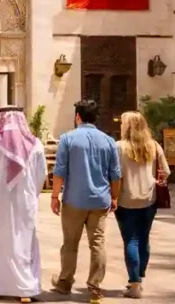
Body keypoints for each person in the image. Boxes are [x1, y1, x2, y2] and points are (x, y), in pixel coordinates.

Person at [51, 99, 122, 304]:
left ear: (77, 117)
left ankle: (65, 282)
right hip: (100, 200)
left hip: (74, 199)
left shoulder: (68, 139)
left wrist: (55, 196)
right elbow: (116, 174)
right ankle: (95, 286)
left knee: (70, 244)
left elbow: (59, 171)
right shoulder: (108, 141)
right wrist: (115, 197)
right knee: (97, 244)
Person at [0, 106, 47, 303]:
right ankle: (26, 289)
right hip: (26, 201)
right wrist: (34, 192)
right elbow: (42, 175)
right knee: (25, 242)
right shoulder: (36, 144)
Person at [114, 112, 169, 299]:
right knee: (143, 239)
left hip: (125, 200)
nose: (120, 125)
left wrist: (113, 197)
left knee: (131, 240)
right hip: (149, 198)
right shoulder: (154, 146)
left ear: (127, 126)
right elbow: (165, 172)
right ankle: (139, 277)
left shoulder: (119, 147)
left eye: (122, 123)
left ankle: (134, 282)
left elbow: (115, 175)